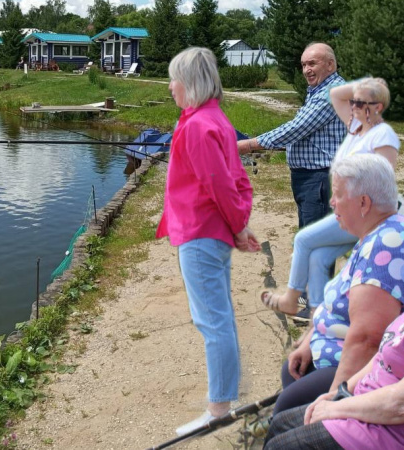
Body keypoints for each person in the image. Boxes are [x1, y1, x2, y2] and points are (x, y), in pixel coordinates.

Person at [264, 178, 404, 450]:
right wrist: (340, 394)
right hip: (377, 401)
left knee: (282, 444)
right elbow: (387, 347)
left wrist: (339, 408)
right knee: (280, 424)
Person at [271, 153, 404, 416]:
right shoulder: (380, 231)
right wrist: (310, 341)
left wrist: (337, 400)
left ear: (363, 203)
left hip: (375, 370)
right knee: (293, 377)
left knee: (286, 408)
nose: (331, 202)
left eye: (338, 195)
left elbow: (367, 339)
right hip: (342, 353)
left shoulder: (389, 246)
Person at [155, 47, 260, 435]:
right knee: (221, 318)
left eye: (173, 79)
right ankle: (225, 398)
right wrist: (239, 224)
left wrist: (238, 226)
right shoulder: (212, 118)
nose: (170, 87)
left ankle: (218, 409)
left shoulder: (200, 125)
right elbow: (236, 178)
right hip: (208, 231)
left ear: (189, 82)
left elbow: (220, 183)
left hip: (201, 233)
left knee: (213, 322)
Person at [260, 78, 401, 316]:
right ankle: (318, 313)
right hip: (348, 209)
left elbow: (383, 182)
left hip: (367, 216)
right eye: (353, 101)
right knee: (318, 256)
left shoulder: (382, 135)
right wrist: (365, 84)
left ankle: (290, 300)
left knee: (304, 240)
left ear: (376, 107)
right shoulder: (357, 129)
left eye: (360, 103)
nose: (352, 106)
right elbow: (335, 93)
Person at [237, 43, 346, 229]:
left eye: (312, 64)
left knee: (316, 244)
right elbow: (309, 134)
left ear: (330, 65)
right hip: (313, 179)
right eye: (303, 65)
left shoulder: (331, 92)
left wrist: (246, 145)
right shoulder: (320, 90)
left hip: (320, 179)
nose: (306, 70)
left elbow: (296, 128)